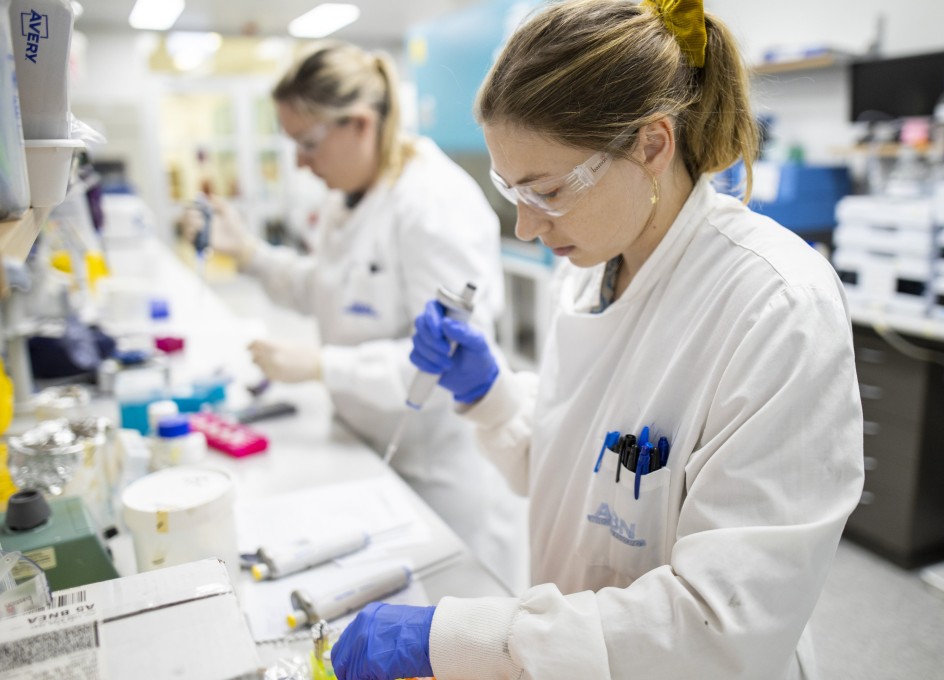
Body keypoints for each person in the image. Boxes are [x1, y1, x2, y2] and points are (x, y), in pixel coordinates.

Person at [329, 1, 864, 679]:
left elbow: (724, 623)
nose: (526, 226)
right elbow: (583, 483)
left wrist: (463, 637)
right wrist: (492, 395)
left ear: (652, 144)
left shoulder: (775, 304)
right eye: (510, 189)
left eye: (546, 190)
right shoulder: (588, 272)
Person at [185, 42, 527, 592]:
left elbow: (448, 359)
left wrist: (323, 365)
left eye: (308, 142)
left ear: (360, 124)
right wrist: (247, 253)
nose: (299, 160)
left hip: (440, 476)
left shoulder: (431, 202)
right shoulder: (348, 197)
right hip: (372, 454)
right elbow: (324, 288)